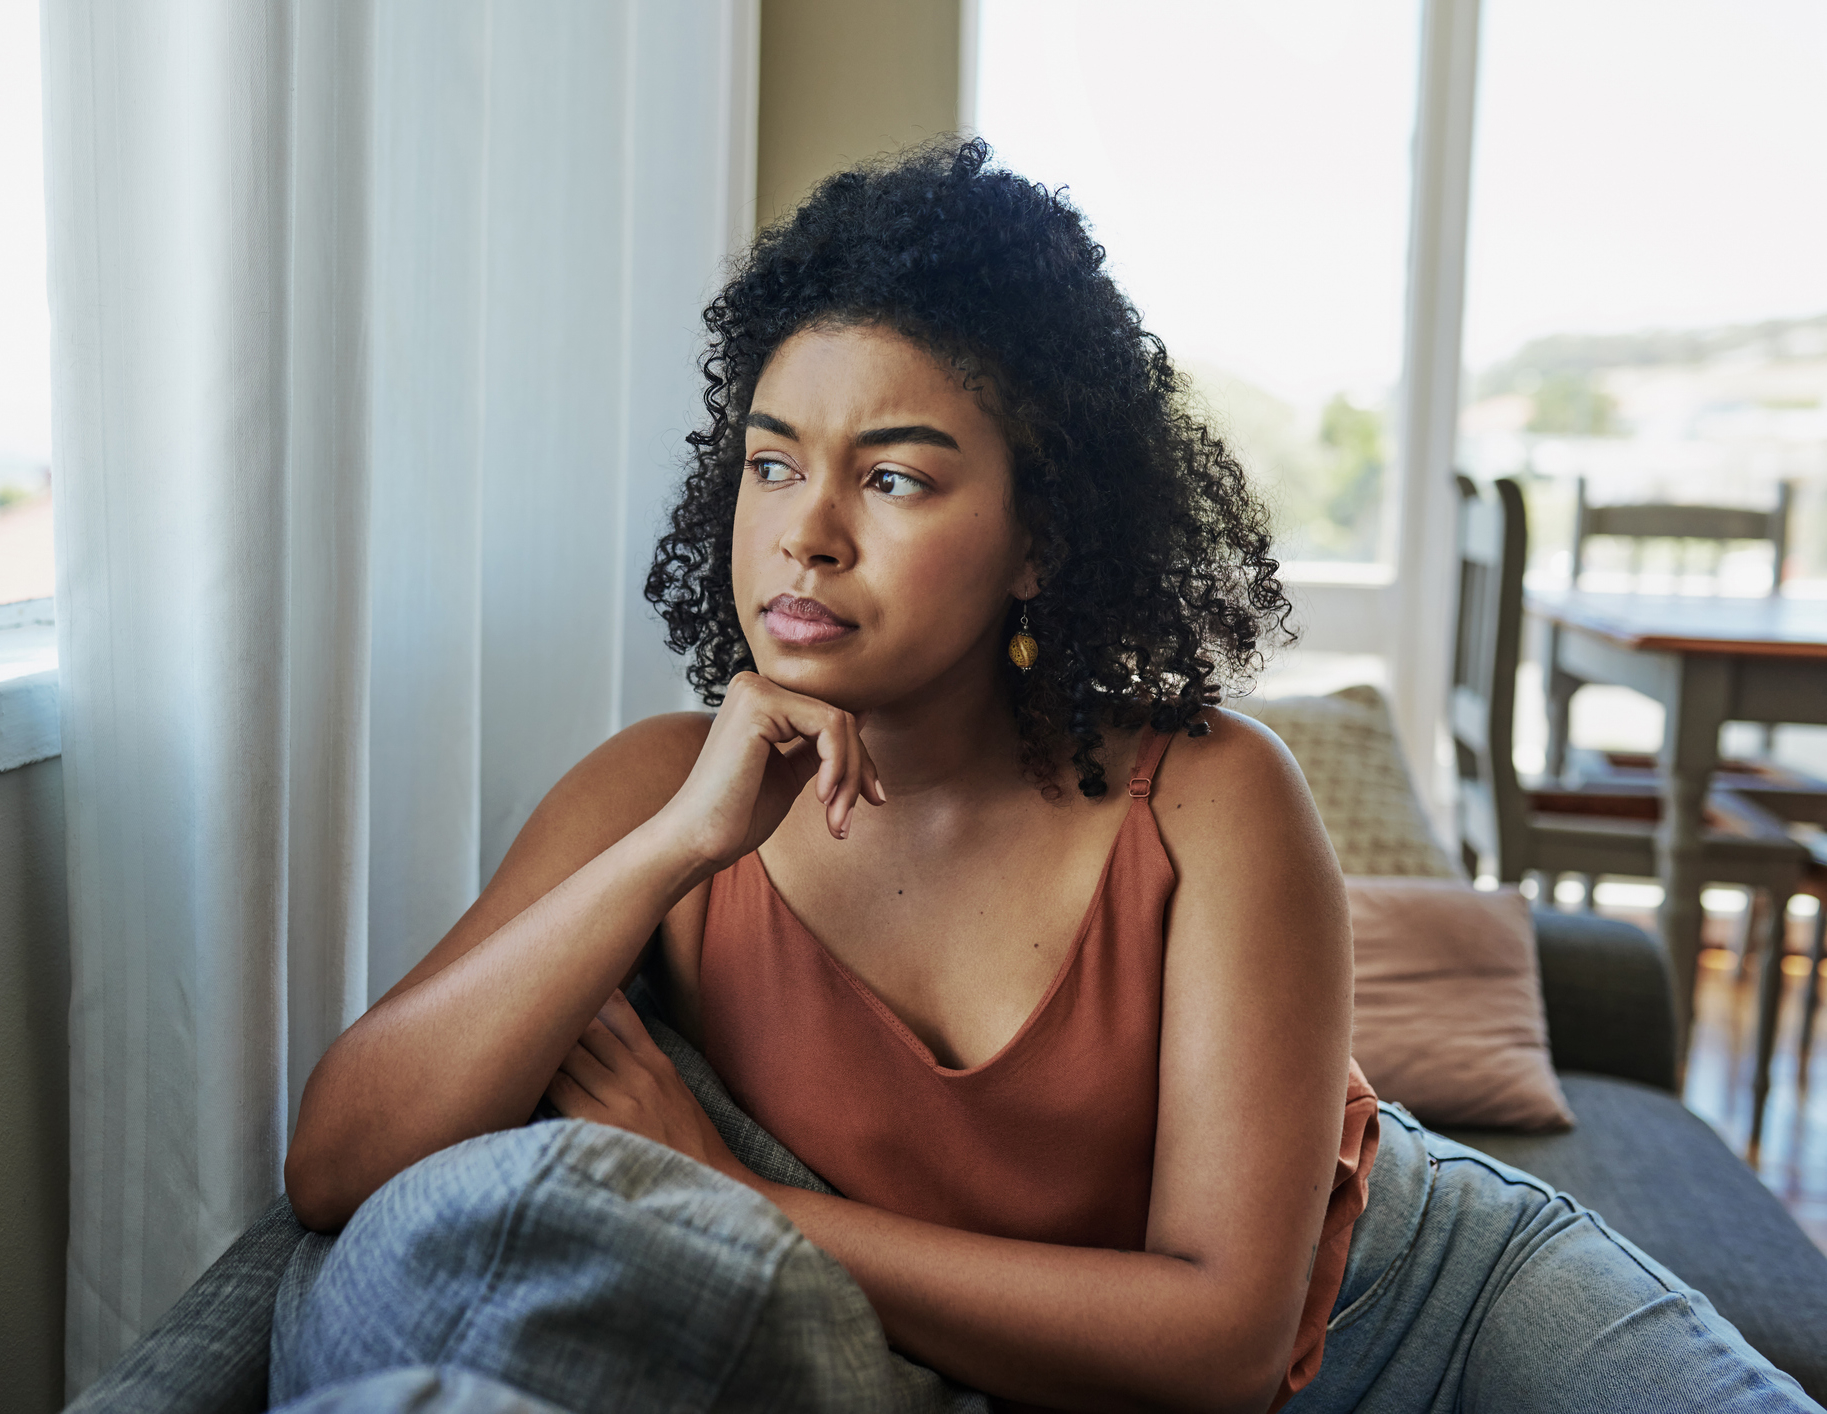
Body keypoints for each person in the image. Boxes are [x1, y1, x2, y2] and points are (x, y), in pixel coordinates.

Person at [278, 141, 1818, 1414]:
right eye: (769, 461)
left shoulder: (1213, 797)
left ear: (1043, 538)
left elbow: (1218, 1344)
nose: (807, 530)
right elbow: (337, 1162)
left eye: (893, 475)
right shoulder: (659, 797)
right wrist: (670, 851)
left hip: (1432, 1308)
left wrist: (720, 1191)